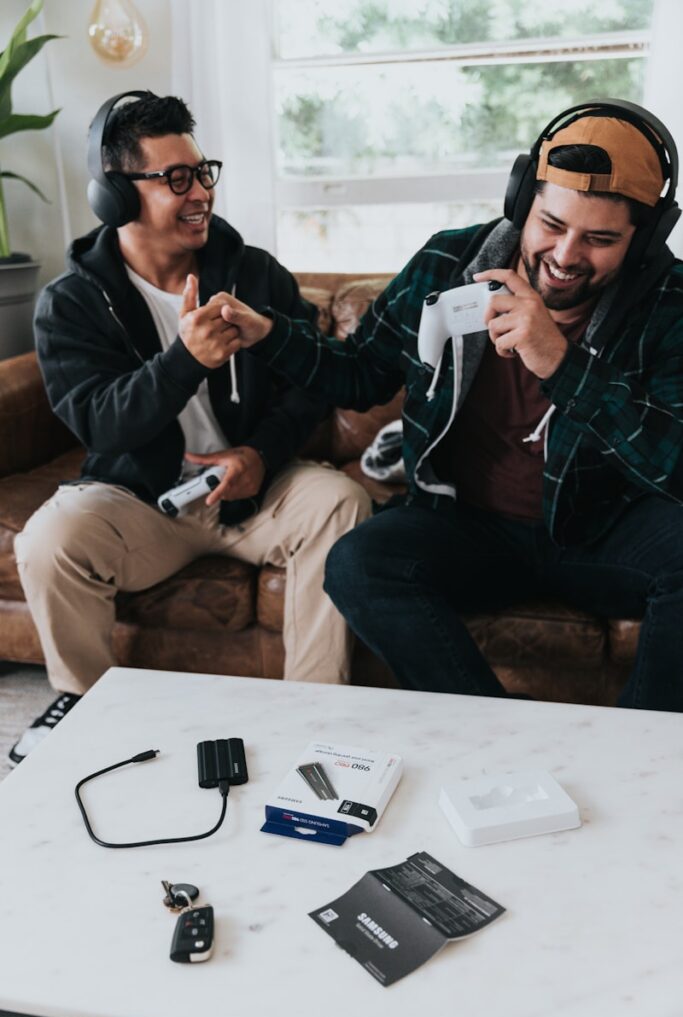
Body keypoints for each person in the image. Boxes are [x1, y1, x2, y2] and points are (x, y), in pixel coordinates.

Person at [214, 99, 683, 713]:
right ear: (521, 203)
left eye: (599, 239)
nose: (567, 255)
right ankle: (498, 730)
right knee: (358, 562)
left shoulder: (669, 304)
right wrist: (268, 333)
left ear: (644, 239)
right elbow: (360, 375)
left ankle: (640, 751)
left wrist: (565, 367)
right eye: (551, 224)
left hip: (598, 531)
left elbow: (672, 461)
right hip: (469, 524)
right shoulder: (449, 262)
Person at [9, 91, 371, 765]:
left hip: (256, 492)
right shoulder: (74, 302)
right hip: (145, 500)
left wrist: (260, 454)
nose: (200, 191)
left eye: (204, 172)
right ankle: (81, 707)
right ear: (116, 196)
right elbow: (100, 422)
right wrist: (183, 362)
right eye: (176, 178)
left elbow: (308, 390)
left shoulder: (253, 272)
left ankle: (318, 712)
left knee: (341, 501)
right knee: (49, 538)